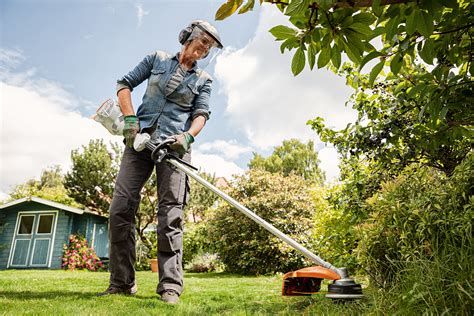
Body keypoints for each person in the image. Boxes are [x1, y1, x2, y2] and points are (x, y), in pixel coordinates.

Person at [97, 20, 223, 304]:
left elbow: (201, 113)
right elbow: (124, 84)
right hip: (139, 142)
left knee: (170, 216)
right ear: (187, 36)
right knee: (120, 209)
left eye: (209, 46)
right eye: (202, 41)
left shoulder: (203, 80)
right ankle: (121, 282)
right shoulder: (156, 59)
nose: (204, 49)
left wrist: (188, 137)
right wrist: (131, 121)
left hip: (173, 149)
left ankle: (170, 287)